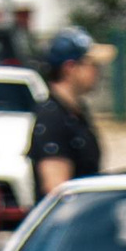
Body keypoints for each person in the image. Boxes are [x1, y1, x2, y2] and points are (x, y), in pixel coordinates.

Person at [28, 28, 105, 198]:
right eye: (92, 64)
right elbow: (58, 191)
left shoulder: (75, 114)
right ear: (70, 68)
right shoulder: (52, 118)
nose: (98, 72)